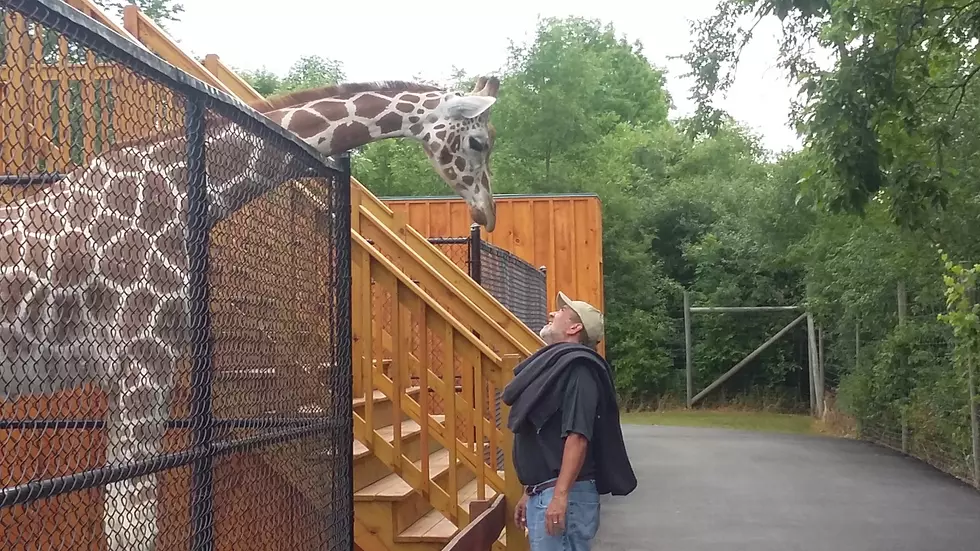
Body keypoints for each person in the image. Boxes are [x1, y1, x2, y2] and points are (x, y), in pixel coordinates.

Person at [502, 291, 636, 551]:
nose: (552, 314)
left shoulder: (580, 370)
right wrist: (529, 492)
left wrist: (560, 496)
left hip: (565, 496)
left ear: (575, 327)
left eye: (561, 312)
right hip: (546, 493)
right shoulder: (561, 366)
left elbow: (578, 436)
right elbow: (547, 438)